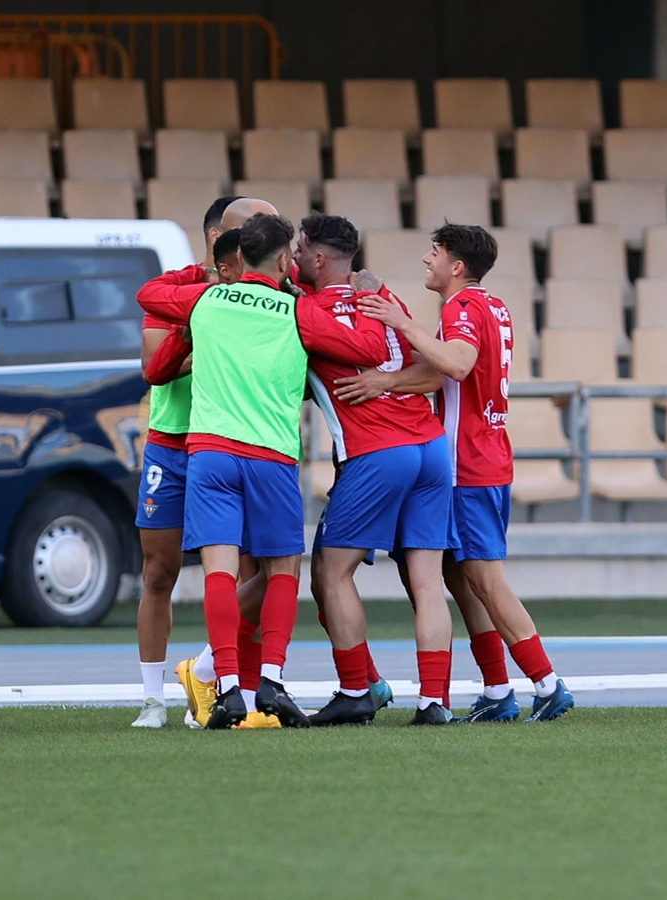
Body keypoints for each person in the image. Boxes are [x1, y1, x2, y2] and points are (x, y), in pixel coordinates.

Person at [137, 214, 394, 729]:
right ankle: (270, 678)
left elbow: (149, 295)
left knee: (219, 573)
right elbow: (368, 350)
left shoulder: (206, 301)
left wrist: (202, 272)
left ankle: (228, 687)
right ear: (283, 262)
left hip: (209, 453)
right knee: (282, 571)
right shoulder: (298, 310)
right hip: (272, 457)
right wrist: (369, 304)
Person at [342, 224, 575, 723]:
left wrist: (403, 325)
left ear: (457, 266)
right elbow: (444, 370)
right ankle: (496, 691)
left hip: (468, 463)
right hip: (481, 457)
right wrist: (387, 381)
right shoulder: (492, 305)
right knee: (459, 578)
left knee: (487, 582)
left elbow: (460, 363)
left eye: (435, 252)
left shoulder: (461, 308)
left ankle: (548, 682)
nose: (427, 260)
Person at [292, 214, 456, 726]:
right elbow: (433, 370)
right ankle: (434, 702)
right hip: (431, 447)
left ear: (319, 259)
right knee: (427, 582)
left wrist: (377, 382)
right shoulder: (387, 300)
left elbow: (361, 349)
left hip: (377, 451)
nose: (292, 256)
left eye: (299, 249)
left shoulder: (307, 311)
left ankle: (357, 689)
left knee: (328, 572)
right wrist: (389, 378)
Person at [131, 195, 236, 729]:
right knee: (159, 571)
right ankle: (153, 700)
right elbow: (155, 362)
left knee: (259, 570)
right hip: (172, 443)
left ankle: (216, 675)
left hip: (231, 441)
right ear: (217, 236)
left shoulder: (269, 292)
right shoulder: (175, 288)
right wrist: (218, 340)